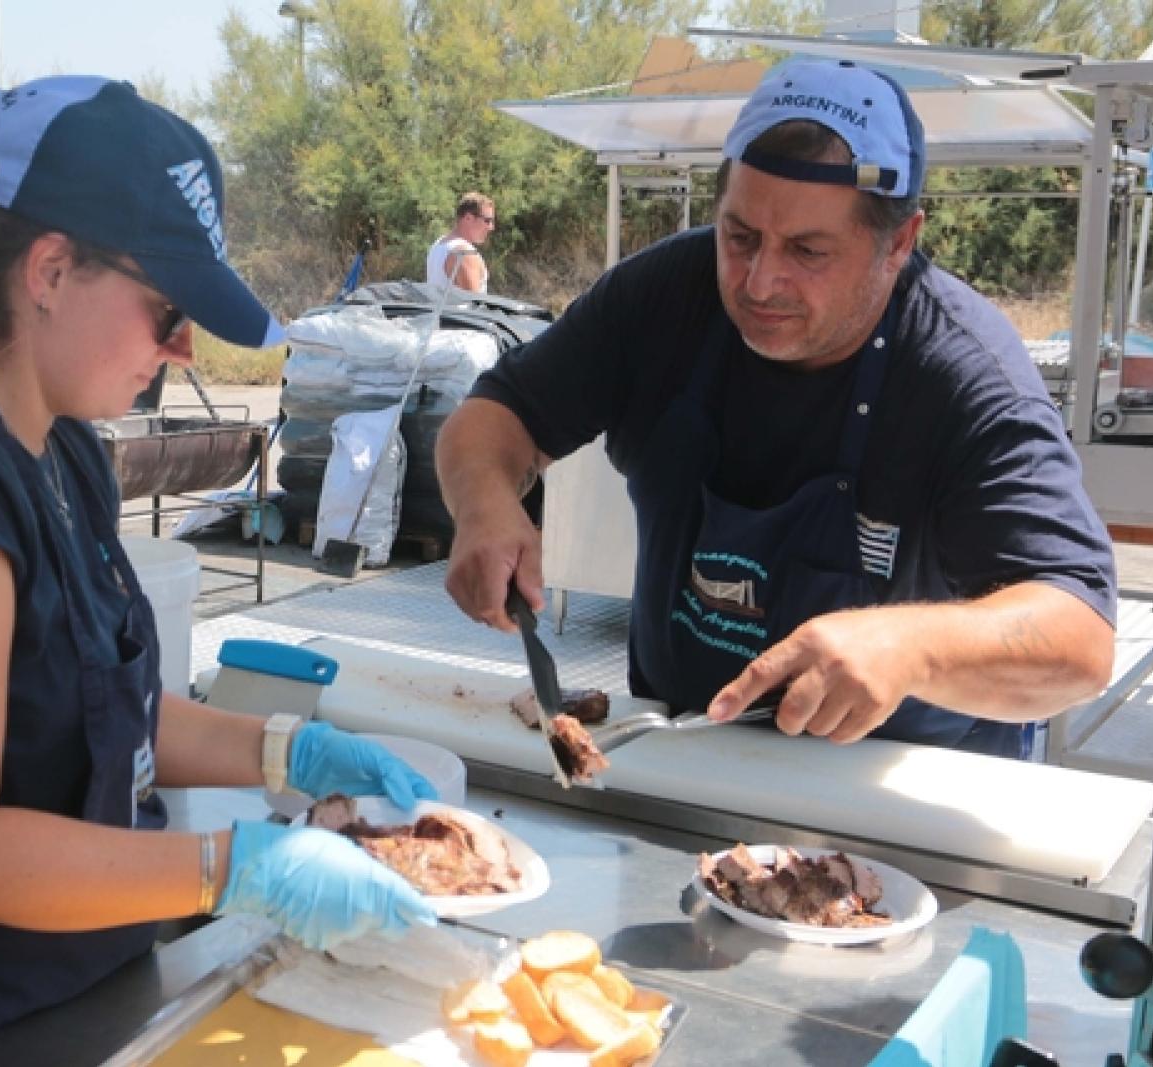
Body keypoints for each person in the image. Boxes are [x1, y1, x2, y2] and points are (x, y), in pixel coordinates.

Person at [0, 77, 440, 1066]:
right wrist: (232, 866)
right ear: (48, 269)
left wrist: (287, 752)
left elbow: (103, 703)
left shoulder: (63, 450)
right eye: (166, 307)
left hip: (75, 994)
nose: (181, 347)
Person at [437, 59, 1117, 760]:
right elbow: (500, 411)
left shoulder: (965, 374)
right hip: (679, 757)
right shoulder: (662, 298)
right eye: (740, 236)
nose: (760, 282)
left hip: (903, 796)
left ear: (900, 243)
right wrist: (485, 500)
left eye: (807, 250)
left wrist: (909, 647)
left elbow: (1081, 637)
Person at [425, 191, 495, 293]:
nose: (491, 227)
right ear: (468, 218)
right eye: (487, 221)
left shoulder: (439, 244)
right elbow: (474, 304)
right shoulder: (464, 253)